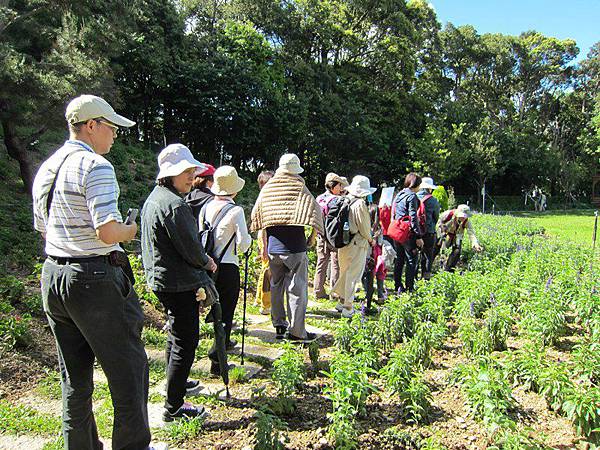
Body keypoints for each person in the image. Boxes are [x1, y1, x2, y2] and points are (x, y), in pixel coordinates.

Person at [32, 95, 154, 449]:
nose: (114, 134)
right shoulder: (96, 166)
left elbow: (44, 227)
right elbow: (107, 231)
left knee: (75, 379)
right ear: (91, 126)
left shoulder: (48, 167)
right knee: (128, 372)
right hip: (94, 279)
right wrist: (131, 229)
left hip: (54, 275)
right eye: (111, 127)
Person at [141, 143, 217, 422]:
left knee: (176, 334)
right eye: (184, 171)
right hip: (177, 282)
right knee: (186, 340)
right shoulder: (174, 206)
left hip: (162, 279)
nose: (190, 176)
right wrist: (207, 261)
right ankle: (174, 407)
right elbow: (192, 249)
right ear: (169, 174)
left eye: (191, 171)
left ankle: (176, 383)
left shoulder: (155, 198)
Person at [251, 154, 324, 341]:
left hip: (274, 247)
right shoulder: (299, 186)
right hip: (295, 247)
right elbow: (316, 211)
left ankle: (279, 326)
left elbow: (257, 212)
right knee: (296, 289)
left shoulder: (268, 188)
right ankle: (297, 332)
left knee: (276, 287)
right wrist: (312, 236)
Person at [200, 166, 251, 372]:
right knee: (226, 311)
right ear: (234, 190)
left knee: (213, 307)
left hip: (207, 265)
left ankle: (217, 348)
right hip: (228, 266)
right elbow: (244, 242)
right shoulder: (236, 210)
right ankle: (218, 358)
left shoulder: (205, 207)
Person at [331, 175, 376, 318]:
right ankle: (348, 307)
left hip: (344, 242)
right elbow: (364, 227)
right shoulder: (360, 204)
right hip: (357, 244)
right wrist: (371, 239)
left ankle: (341, 300)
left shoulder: (345, 199)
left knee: (345, 272)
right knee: (353, 275)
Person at [313, 172, 348, 299]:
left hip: (321, 235)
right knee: (335, 263)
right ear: (334, 186)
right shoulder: (337, 200)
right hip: (333, 236)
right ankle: (335, 291)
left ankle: (318, 290)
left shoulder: (319, 198)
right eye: (340, 185)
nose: (341, 188)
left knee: (321, 262)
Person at [392, 173, 424, 292]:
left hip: (397, 230)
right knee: (411, 260)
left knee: (399, 259)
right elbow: (413, 218)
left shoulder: (399, 194)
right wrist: (418, 236)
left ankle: (397, 286)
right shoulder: (412, 197)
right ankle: (409, 288)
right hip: (407, 232)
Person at [434, 204, 482, 271]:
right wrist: (441, 232)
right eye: (462, 216)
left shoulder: (467, 221)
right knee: (435, 248)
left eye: (465, 216)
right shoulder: (448, 214)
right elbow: (438, 222)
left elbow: (471, 233)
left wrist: (475, 243)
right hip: (445, 232)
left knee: (457, 252)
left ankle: (449, 270)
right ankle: (430, 266)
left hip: (457, 236)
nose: (463, 218)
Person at [254, 170, 275, 315]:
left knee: (265, 269)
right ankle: (265, 304)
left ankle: (259, 299)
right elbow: (262, 225)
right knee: (268, 272)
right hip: (265, 237)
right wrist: (264, 247)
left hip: (266, 237)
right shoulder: (266, 198)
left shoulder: (265, 197)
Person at [361, 202, 386, 314]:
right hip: (376, 256)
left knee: (364, 275)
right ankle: (378, 295)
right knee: (378, 275)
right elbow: (380, 242)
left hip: (364, 254)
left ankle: (366, 292)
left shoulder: (364, 227)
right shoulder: (379, 229)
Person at [416, 177, 440, 280]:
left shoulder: (414, 197)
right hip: (429, 231)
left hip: (416, 231)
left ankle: (413, 277)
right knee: (428, 255)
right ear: (430, 188)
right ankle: (426, 278)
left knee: (415, 255)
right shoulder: (433, 200)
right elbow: (436, 216)